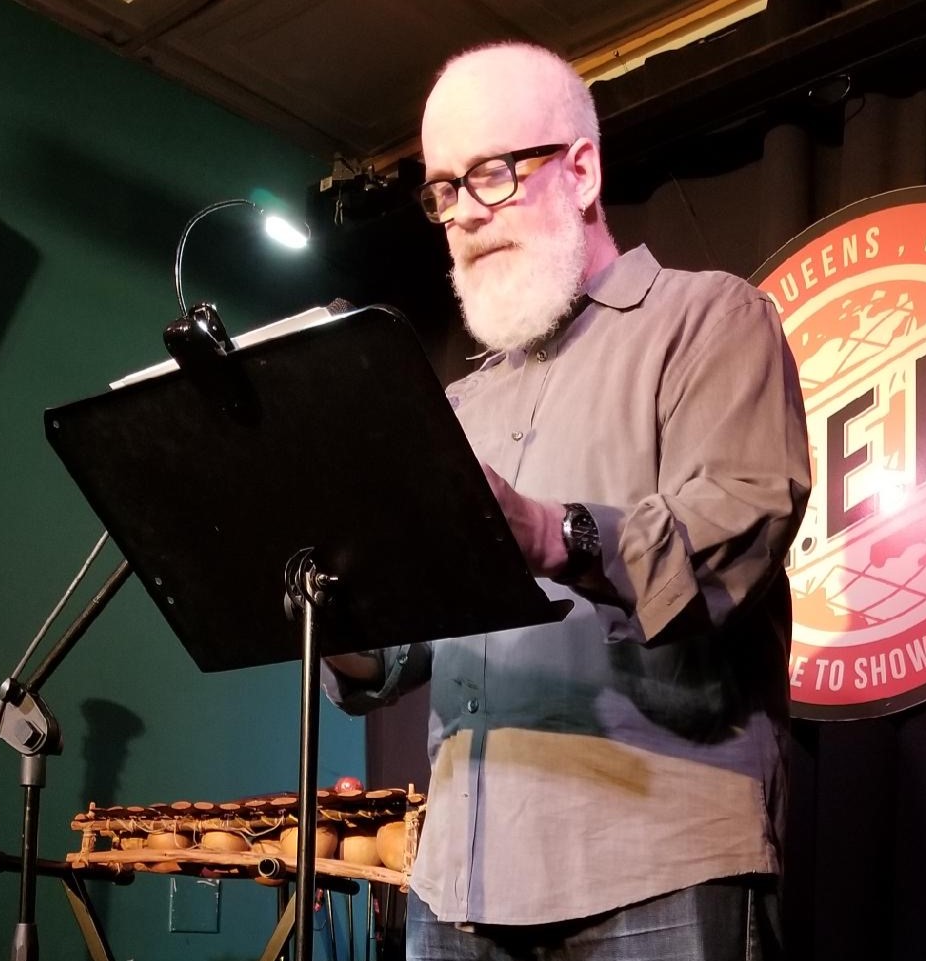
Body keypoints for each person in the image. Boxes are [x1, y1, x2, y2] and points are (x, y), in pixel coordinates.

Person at [323, 41, 810, 961]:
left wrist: (553, 532)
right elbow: (395, 654)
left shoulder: (710, 319)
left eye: (493, 174)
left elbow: (739, 520)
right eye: (444, 191)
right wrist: (322, 594)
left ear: (581, 171)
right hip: (457, 885)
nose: (466, 213)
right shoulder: (454, 407)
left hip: (656, 866)